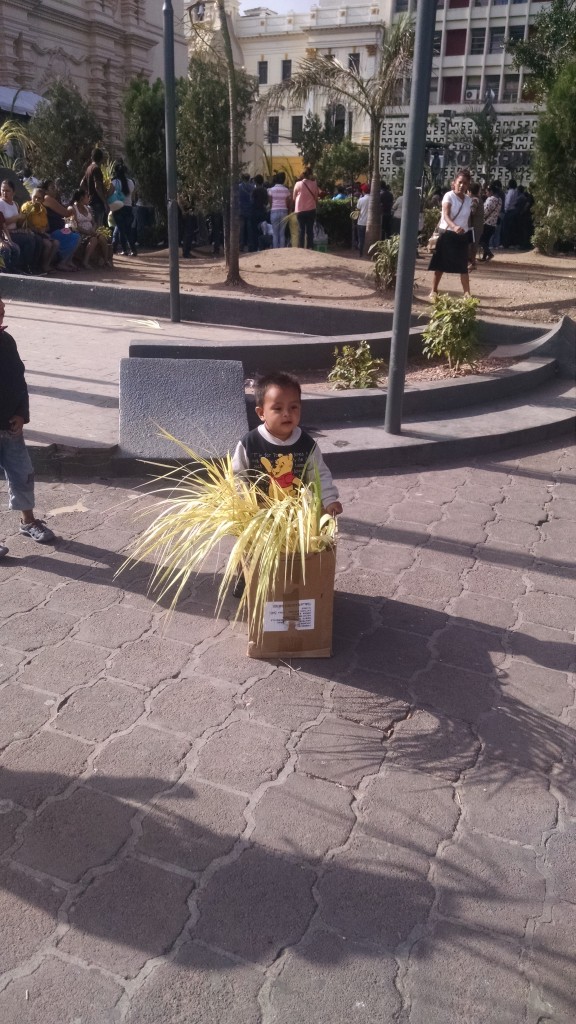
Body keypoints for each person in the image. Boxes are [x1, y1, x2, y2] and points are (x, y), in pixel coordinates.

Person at [231, 371, 342, 595]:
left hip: (295, 513)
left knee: (291, 551)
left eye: (293, 407)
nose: (286, 414)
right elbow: (237, 475)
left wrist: (329, 499)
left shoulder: (306, 444)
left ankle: (292, 581)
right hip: (258, 512)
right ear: (261, 413)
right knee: (252, 547)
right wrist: (242, 504)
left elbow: (319, 474)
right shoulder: (249, 443)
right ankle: (246, 576)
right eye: (278, 408)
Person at [0, 294, 56, 556]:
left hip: (9, 429)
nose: (1, 316)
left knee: (22, 473)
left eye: (1, 311)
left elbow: (19, 382)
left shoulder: (7, 342)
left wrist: (22, 414)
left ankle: (28, 521)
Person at [428, 172, 473, 299]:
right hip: (447, 234)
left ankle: (467, 294)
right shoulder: (449, 196)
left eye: (465, 183)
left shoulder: (469, 200)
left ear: (468, 185)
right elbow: (446, 215)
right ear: (454, 183)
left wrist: (469, 234)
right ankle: (434, 291)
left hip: (462, 236)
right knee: (440, 265)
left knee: (463, 267)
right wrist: (454, 226)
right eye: (460, 182)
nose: (462, 185)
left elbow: (468, 219)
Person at [0, 179, 42, 274]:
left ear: (13, 192)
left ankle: (34, 266)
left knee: (37, 239)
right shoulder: (1, 204)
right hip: (6, 233)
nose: (4, 193)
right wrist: (17, 217)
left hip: (15, 231)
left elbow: (18, 223)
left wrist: (23, 219)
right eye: (3, 190)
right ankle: (25, 267)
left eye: (7, 190)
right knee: (29, 240)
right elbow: (2, 223)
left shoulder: (15, 204)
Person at [40, 179, 81, 271]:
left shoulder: (54, 199)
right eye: (52, 188)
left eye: (55, 187)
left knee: (75, 235)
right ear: (45, 190)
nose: (55, 189)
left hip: (59, 229)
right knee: (76, 237)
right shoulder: (47, 198)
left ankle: (68, 261)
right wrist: (72, 208)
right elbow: (65, 213)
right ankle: (62, 263)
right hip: (52, 231)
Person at [20, 188, 60, 273]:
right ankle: (42, 266)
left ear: (42, 200)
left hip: (42, 233)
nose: (37, 200)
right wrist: (37, 230)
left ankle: (47, 264)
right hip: (31, 232)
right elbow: (24, 223)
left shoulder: (43, 209)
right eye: (35, 197)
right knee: (48, 244)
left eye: (39, 198)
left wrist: (43, 229)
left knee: (56, 243)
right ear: (31, 196)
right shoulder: (27, 206)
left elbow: (47, 226)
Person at [70, 188, 112, 268]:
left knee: (103, 238)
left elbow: (94, 222)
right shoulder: (73, 209)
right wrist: (87, 232)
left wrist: (93, 229)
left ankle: (106, 260)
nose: (89, 198)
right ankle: (85, 261)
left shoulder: (88, 208)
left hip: (91, 231)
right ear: (82, 198)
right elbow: (76, 225)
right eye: (87, 196)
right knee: (94, 240)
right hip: (81, 233)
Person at [110, 161, 134, 256]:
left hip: (118, 207)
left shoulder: (115, 182)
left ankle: (124, 249)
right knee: (128, 230)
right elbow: (133, 194)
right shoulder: (131, 182)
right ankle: (133, 249)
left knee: (121, 229)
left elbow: (109, 193)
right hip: (129, 207)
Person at [82, 148, 109, 227]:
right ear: (101, 158)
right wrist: (104, 201)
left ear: (92, 157)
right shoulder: (96, 169)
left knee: (92, 225)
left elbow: (81, 184)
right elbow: (97, 187)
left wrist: (88, 193)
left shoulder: (88, 169)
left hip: (90, 201)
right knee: (98, 227)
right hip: (97, 203)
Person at [293, 167, 319, 249]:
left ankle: (301, 247)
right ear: (311, 174)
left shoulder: (298, 184)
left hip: (300, 210)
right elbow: (316, 197)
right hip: (311, 209)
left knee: (301, 229)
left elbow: (294, 197)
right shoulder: (314, 184)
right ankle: (310, 247)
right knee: (310, 229)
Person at [267, 171, 292, 249]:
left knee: (275, 233)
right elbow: (287, 202)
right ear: (283, 180)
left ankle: (275, 249)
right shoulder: (286, 190)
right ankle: (282, 250)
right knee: (282, 233)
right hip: (284, 211)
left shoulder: (271, 190)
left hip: (274, 211)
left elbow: (270, 202)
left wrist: (273, 208)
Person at [479, 182, 502, 262]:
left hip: (487, 223)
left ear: (491, 191)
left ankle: (489, 254)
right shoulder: (499, 200)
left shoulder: (491, 199)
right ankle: (484, 257)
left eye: (487, 192)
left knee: (481, 240)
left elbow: (486, 211)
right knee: (486, 241)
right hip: (493, 224)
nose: (486, 193)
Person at [250, 174, 269, 252]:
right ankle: (262, 247)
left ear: (255, 182)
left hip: (254, 212)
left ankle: (254, 247)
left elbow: (251, 201)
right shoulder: (265, 190)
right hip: (263, 212)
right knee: (262, 230)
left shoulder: (254, 191)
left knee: (254, 231)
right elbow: (267, 202)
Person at [468, 182, 484, 271]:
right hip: (477, 226)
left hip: (473, 227)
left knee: (472, 245)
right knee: (473, 245)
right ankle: (472, 263)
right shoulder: (478, 199)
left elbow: (472, 211)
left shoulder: (474, 199)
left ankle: (472, 263)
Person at [356, 185, 370, 257]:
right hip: (370, 223)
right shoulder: (373, 199)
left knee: (361, 238)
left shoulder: (361, 199)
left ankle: (361, 253)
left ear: (363, 191)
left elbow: (357, 209)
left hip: (361, 222)